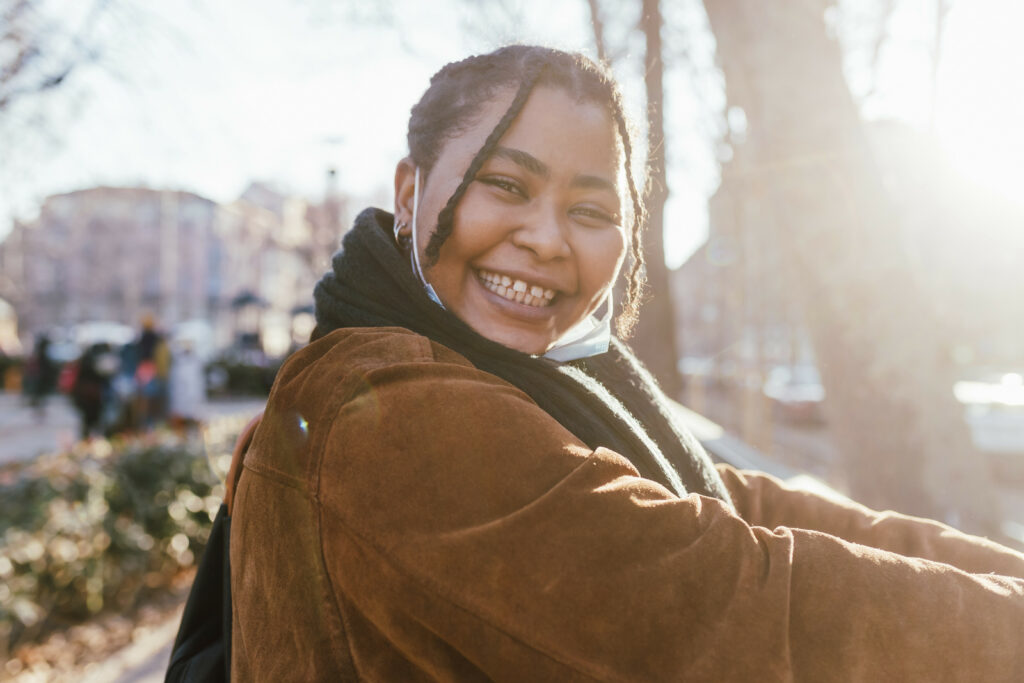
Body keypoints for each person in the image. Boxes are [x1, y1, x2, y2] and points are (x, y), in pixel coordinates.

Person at [229, 46, 1024, 680]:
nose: (548, 238)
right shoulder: (384, 407)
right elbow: (723, 603)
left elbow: (750, 504)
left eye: (590, 210)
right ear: (410, 196)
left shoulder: (521, 387)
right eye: (506, 184)